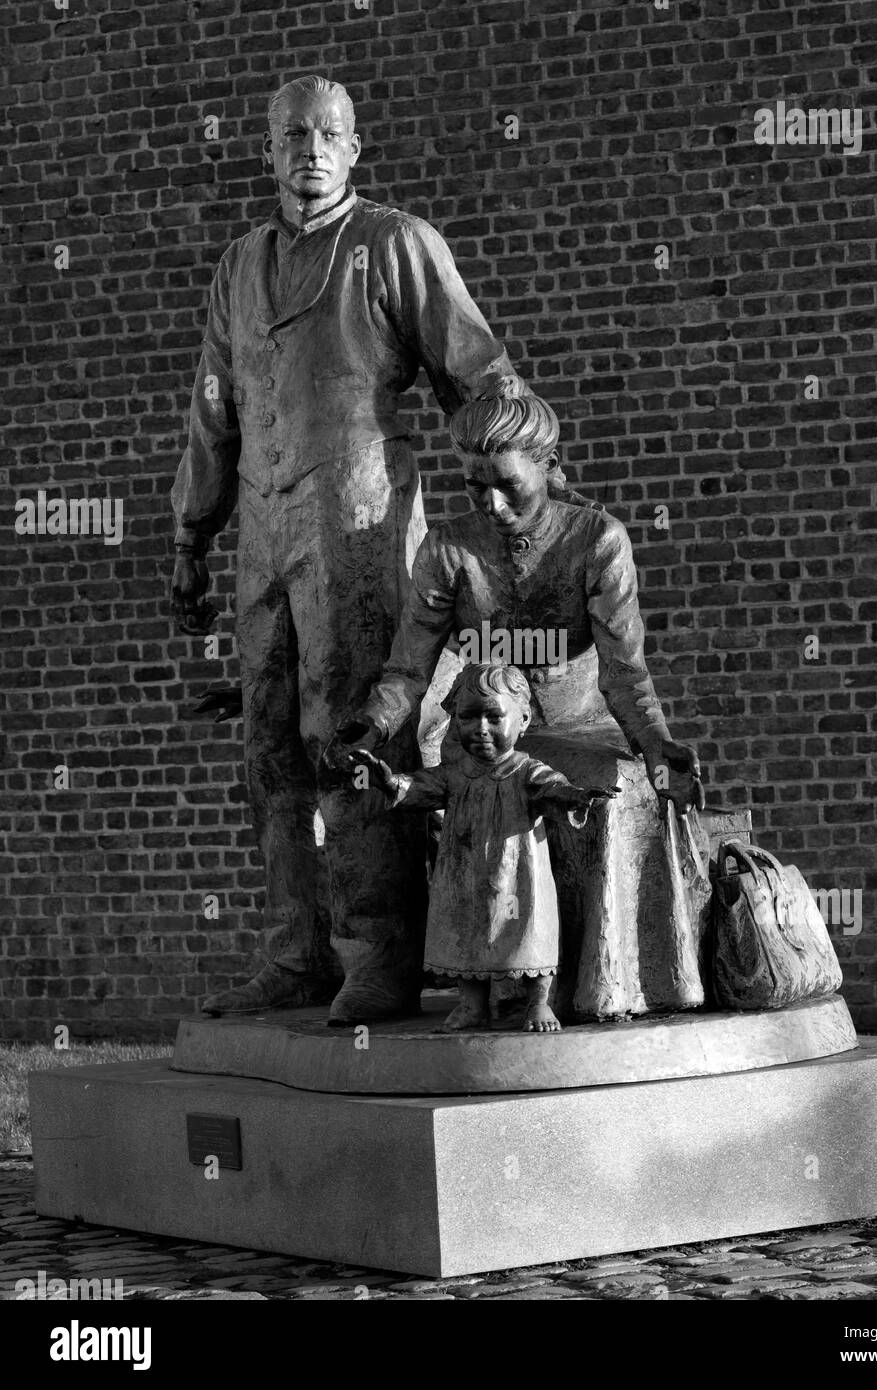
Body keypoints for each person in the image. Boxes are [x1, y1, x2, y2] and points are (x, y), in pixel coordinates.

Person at [170, 73, 529, 1024]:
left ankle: (380, 954)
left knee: (356, 731)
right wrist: (191, 533)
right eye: (292, 134)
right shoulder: (238, 267)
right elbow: (215, 406)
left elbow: (476, 367)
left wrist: (518, 485)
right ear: (268, 152)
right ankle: (296, 955)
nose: (310, 150)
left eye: (329, 134)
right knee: (269, 742)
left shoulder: (392, 245)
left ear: (356, 149)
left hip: (361, 518)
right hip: (262, 525)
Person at [323, 395, 711, 1020]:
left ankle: (601, 987)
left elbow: (623, 670)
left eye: (507, 486)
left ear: (548, 464)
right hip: (486, 731)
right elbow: (408, 668)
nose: (492, 505)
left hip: (579, 723)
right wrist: (371, 725)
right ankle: (479, 984)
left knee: (615, 789)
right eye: (475, 488)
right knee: (453, 791)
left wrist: (657, 742)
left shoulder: (596, 540)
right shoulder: (447, 551)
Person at [351, 663, 617, 1032]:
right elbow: (420, 788)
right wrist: (389, 781)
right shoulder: (454, 773)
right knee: (464, 933)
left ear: (523, 719)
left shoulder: (525, 770)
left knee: (527, 931)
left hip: (519, 876)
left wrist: (577, 796)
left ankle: (538, 1002)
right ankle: (470, 1005)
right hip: (463, 875)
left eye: (494, 717)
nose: (480, 728)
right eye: (468, 717)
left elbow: (553, 788)